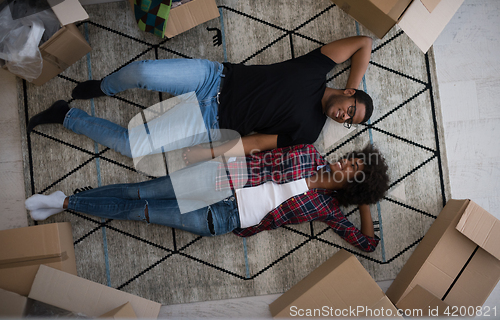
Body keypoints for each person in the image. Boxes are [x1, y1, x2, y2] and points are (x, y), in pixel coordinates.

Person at [27, 36, 374, 164]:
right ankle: (106, 87)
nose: (344, 115)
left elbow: (254, 143)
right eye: (351, 109)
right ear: (347, 92)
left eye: (349, 120)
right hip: (215, 77)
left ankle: (66, 116)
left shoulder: (310, 130)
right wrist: (353, 86)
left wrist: (206, 153)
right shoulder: (317, 70)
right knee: (145, 73)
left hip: (207, 122)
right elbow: (363, 43)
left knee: (133, 147)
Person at [25, 143, 389, 252]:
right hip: (219, 179)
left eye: (353, 169)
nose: (345, 162)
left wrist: (364, 202)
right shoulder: (309, 153)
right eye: (353, 158)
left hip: (225, 219)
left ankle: (67, 204)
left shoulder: (327, 209)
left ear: (351, 186)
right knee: (142, 191)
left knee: (142, 212)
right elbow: (259, 152)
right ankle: (64, 202)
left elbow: (368, 244)